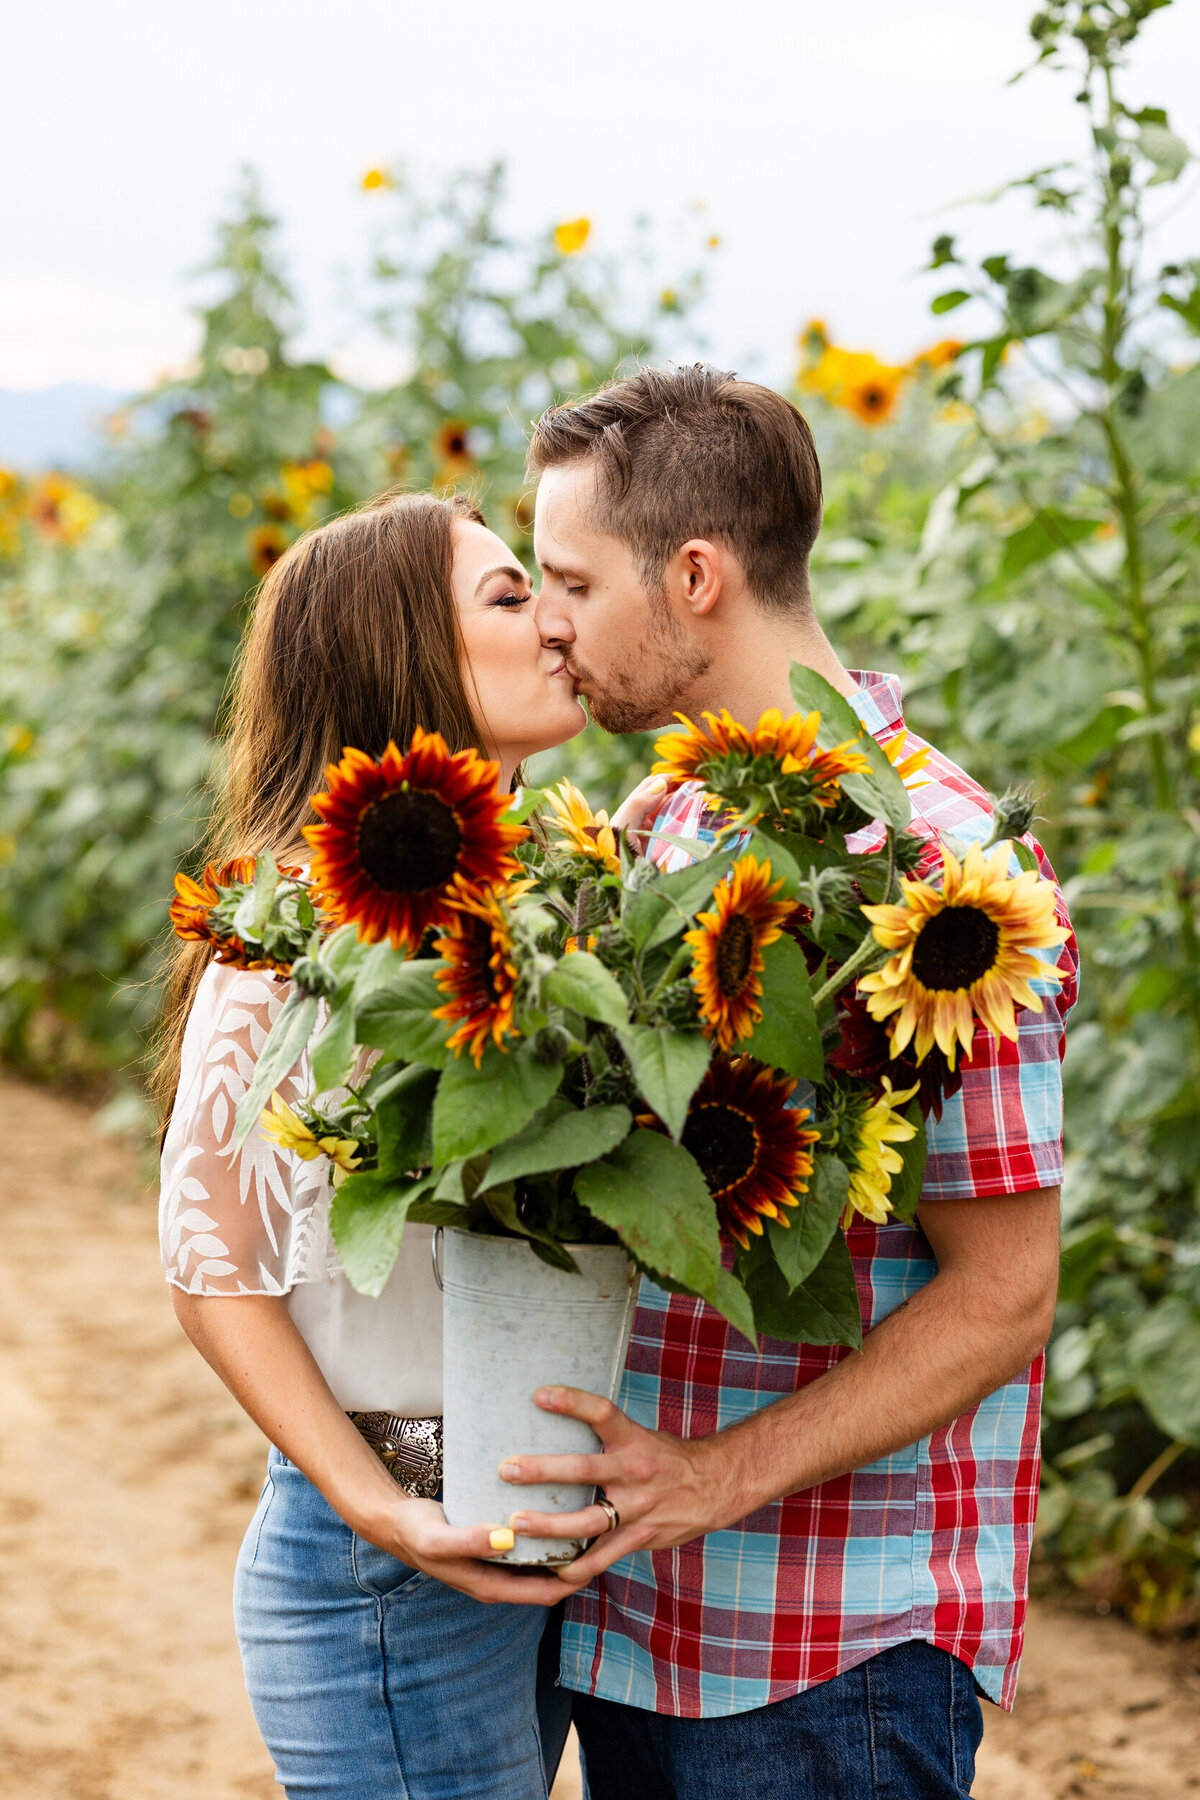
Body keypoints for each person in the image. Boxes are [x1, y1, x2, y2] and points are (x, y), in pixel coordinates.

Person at [485, 365, 1078, 1800]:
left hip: (825, 1646)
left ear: (695, 576)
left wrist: (716, 1476)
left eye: (569, 577)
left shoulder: (944, 871)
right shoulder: (668, 818)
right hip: (631, 1615)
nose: (546, 617)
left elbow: (1006, 1291)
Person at [156, 491, 600, 1800]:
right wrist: (378, 1507)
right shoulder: (299, 923)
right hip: (389, 1568)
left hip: (523, 1532)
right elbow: (206, 1260)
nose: (558, 623)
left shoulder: (549, 898)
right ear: (403, 656)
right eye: (511, 599)